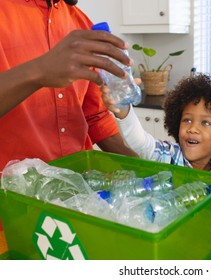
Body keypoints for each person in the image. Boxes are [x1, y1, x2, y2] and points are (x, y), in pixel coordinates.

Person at [0, 0, 139, 255]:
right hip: (13, 213)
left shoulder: (81, 23)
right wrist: (39, 70)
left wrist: (135, 162)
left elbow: (94, 114)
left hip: (79, 202)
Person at [103, 72, 211, 224]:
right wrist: (122, 106)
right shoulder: (168, 155)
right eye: (187, 120)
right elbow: (139, 142)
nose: (193, 128)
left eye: (205, 123)